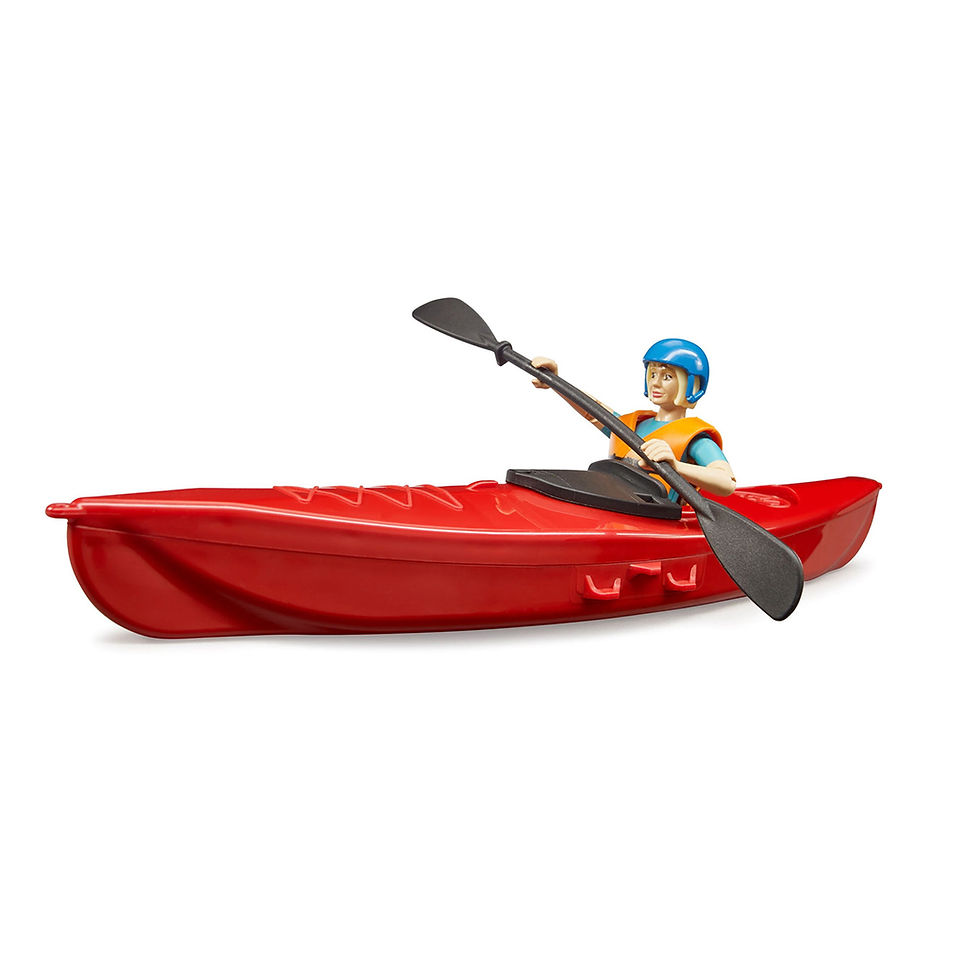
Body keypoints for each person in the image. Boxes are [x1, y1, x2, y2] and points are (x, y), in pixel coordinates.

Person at [530, 339, 736, 498]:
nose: (655, 383)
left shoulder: (694, 438)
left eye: (667, 377)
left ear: (691, 385)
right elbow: (592, 411)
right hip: (614, 504)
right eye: (652, 374)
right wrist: (555, 382)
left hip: (657, 519)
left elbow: (726, 482)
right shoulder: (635, 424)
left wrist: (675, 466)